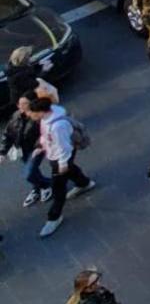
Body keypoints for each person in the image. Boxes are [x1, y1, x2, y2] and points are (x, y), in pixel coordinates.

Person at [30, 93, 95, 237]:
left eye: (32, 113)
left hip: (60, 157)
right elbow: (45, 135)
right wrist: (40, 146)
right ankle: (84, 183)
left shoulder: (58, 126)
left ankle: (54, 217)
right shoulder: (47, 119)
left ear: (41, 112)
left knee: (58, 188)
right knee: (71, 170)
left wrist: (63, 163)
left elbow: (63, 147)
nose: (30, 115)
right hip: (56, 155)